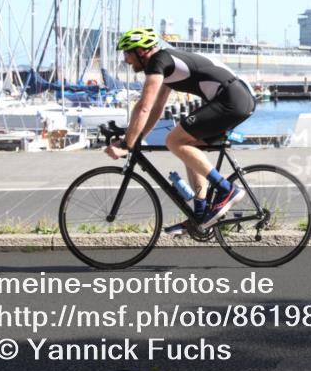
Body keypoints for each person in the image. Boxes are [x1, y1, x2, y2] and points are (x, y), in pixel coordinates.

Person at [104, 27, 256, 233]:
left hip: (231, 100)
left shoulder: (158, 62)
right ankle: (200, 215)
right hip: (236, 99)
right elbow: (156, 109)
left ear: (141, 51)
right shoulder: (166, 65)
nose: (126, 59)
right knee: (186, 145)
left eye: (127, 53)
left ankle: (226, 189)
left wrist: (126, 144)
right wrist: (139, 138)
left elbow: (143, 106)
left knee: (173, 140)